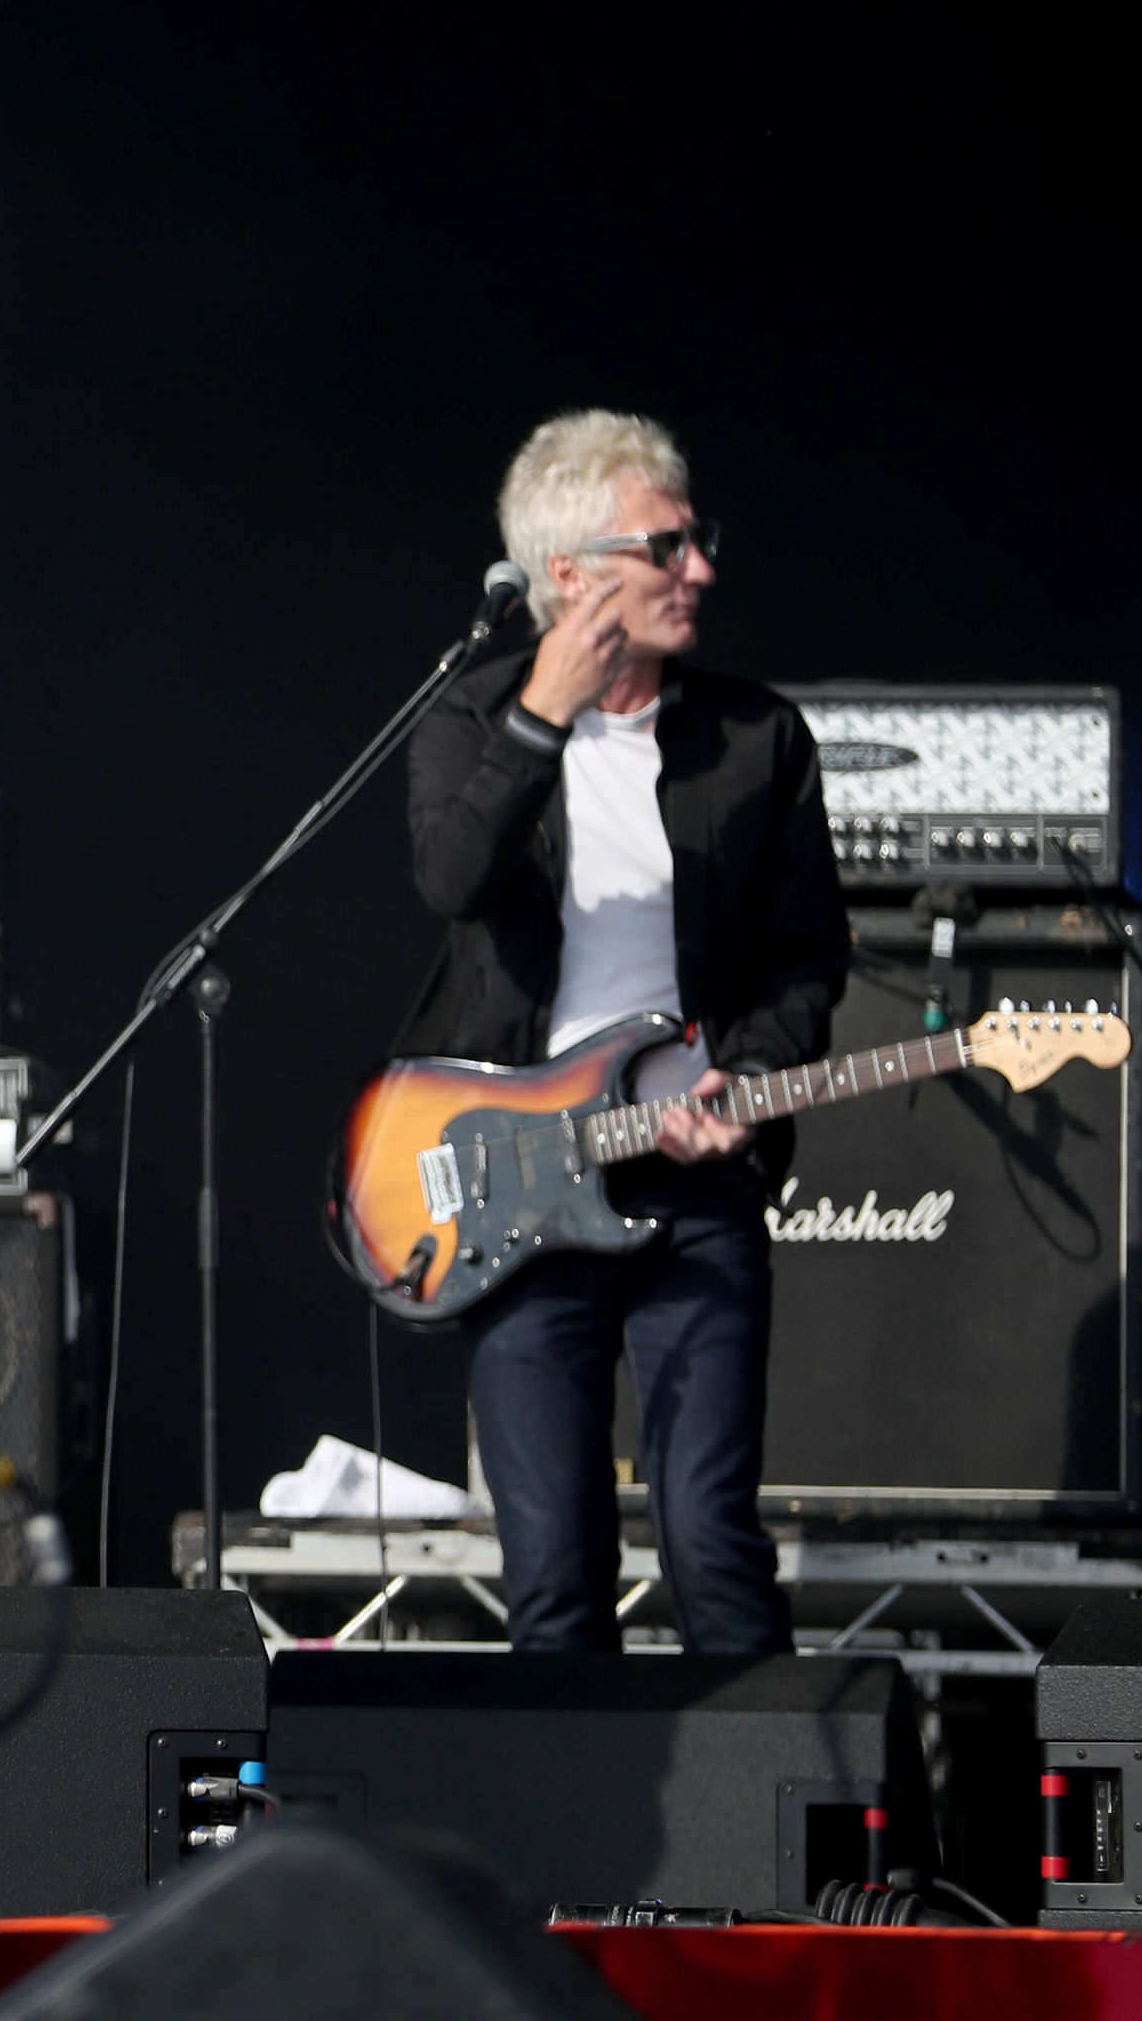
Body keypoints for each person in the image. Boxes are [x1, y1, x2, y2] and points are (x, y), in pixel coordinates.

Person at [399, 408, 844, 1655]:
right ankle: (574, 1851)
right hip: (521, 1190)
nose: (698, 567)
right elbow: (450, 876)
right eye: (665, 545)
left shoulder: (754, 740)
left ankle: (764, 1845)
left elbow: (810, 952)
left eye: (698, 538)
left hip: (694, 1180)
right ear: (569, 575)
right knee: (549, 1575)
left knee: (711, 1540)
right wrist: (538, 717)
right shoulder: (465, 718)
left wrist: (749, 1077)